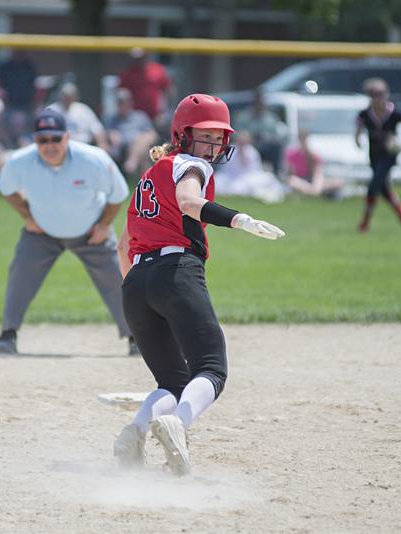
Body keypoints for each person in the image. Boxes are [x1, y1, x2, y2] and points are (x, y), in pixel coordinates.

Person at [112, 94, 285, 476]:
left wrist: (142, 292)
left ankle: (134, 433)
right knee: (211, 368)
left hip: (136, 283)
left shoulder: (150, 175)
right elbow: (190, 203)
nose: (213, 144)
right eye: (205, 135)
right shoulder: (191, 166)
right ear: (183, 134)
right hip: (176, 271)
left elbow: (123, 247)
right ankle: (179, 425)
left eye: (218, 137)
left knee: (171, 380)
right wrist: (238, 219)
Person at [0, 109, 138, 356]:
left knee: (118, 279)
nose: (49, 145)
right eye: (42, 140)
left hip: (92, 232)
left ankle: (136, 337)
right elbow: (5, 188)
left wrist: (103, 226)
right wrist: (28, 217)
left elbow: (118, 194)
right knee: (20, 273)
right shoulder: (20, 161)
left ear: (67, 137)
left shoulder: (93, 159)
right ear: (34, 140)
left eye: (55, 139)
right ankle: (8, 334)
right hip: (42, 233)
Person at [354, 78, 401, 232]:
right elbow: (359, 127)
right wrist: (357, 138)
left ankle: (365, 222)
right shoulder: (365, 114)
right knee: (383, 189)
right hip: (374, 155)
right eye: (375, 94)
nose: (378, 97)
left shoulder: (394, 112)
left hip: (389, 156)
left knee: (373, 185)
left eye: (381, 94)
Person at [213, 130, 287, 203]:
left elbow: (255, 169)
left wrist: (242, 154)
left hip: (249, 176)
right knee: (219, 182)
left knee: (268, 178)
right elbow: (225, 168)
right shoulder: (231, 149)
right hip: (231, 177)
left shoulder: (251, 151)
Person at [233, 89, 288, 174]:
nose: (260, 105)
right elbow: (237, 134)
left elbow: (277, 135)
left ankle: (277, 174)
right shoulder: (244, 117)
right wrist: (251, 137)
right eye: (258, 102)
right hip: (250, 146)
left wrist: (268, 137)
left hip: (266, 146)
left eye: (261, 102)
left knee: (277, 147)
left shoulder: (270, 117)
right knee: (247, 151)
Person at [105, 88, 158, 176]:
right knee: (142, 151)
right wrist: (111, 134)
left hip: (139, 144)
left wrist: (142, 138)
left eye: (124, 102)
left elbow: (152, 134)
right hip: (121, 146)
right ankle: (144, 180)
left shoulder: (140, 116)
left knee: (142, 143)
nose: (122, 105)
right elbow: (106, 133)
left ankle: (132, 162)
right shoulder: (111, 119)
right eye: (119, 102)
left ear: (130, 103)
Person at [118, 47, 175, 127]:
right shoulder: (127, 73)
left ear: (145, 56)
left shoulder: (157, 70)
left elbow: (169, 91)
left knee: (162, 136)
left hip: (155, 117)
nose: (138, 61)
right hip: (135, 118)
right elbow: (120, 95)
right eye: (136, 58)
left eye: (140, 58)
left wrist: (165, 113)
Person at [285, 129, 344, 199]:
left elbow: (317, 172)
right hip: (300, 180)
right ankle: (315, 191)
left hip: (312, 179)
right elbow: (290, 173)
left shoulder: (313, 155)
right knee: (293, 181)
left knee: (337, 182)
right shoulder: (292, 155)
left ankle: (313, 191)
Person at [49, 82, 109, 151]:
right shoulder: (52, 110)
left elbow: (97, 130)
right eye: (65, 95)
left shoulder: (83, 109)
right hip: (59, 149)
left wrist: (102, 145)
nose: (67, 98)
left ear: (75, 97)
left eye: (70, 96)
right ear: (60, 96)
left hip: (83, 147)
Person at [0, 49, 37, 141]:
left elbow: (33, 88)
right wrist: (4, 104)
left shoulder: (29, 66)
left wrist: (34, 107)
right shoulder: (4, 67)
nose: (19, 53)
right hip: (9, 105)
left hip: (27, 105)